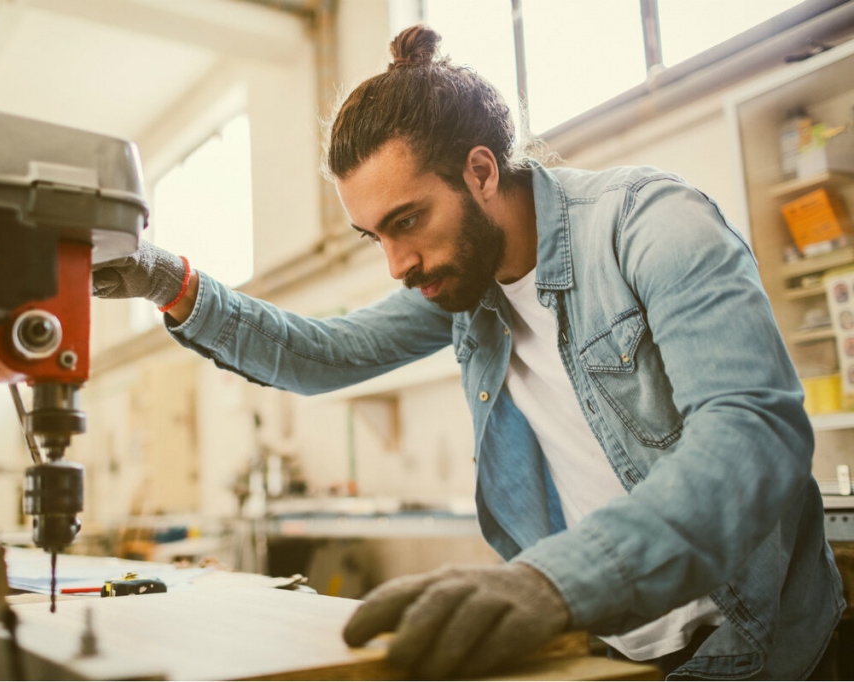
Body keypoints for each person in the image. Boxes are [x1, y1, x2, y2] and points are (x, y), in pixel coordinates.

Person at [92, 25, 844, 680]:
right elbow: (324, 354)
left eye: (408, 220)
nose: (397, 263)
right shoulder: (467, 285)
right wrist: (172, 282)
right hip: (610, 645)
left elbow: (753, 433)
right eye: (374, 237)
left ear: (481, 172)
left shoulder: (648, 223)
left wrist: (552, 585)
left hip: (756, 645)